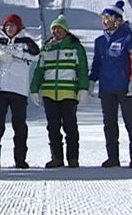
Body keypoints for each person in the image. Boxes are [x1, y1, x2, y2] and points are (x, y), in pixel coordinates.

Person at [89, 0, 132, 169]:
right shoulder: (100, 41)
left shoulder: (130, 38)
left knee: (130, 122)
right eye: (103, 18)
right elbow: (97, 62)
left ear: (117, 19)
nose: (104, 21)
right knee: (109, 124)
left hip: (125, 87)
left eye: (107, 18)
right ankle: (112, 157)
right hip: (107, 88)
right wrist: (92, 80)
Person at [0, 14, 40, 169]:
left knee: (19, 125)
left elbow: (36, 55)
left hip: (18, 89)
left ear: (18, 27)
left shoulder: (26, 42)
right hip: (0, 89)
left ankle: (20, 159)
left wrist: (16, 53)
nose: (9, 29)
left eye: (12, 25)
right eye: (7, 26)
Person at [30, 14, 89, 168]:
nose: (57, 31)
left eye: (60, 28)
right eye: (54, 29)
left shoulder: (75, 47)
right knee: (53, 127)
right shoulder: (47, 48)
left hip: (68, 92)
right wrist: (34, 89)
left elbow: (82, 69)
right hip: (50, 93)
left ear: (66, 31)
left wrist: (83, 88)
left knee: (70, 126)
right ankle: (57, 157)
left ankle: (73, 157)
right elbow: (39, 71)